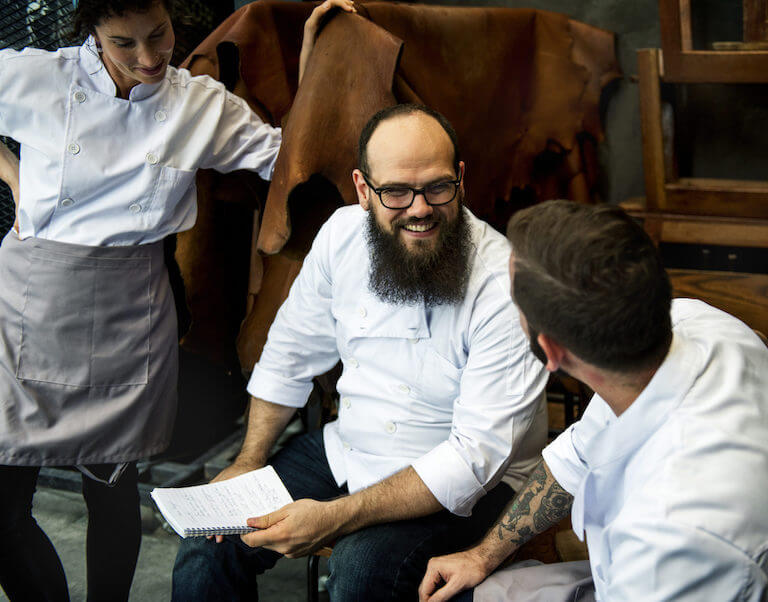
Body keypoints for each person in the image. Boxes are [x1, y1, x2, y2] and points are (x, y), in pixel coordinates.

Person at [0, 0, 353, 599]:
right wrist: (14, 177)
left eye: (158, 36)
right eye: (123, 44)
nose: (147, 58)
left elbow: (289, 159)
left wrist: (317, 53)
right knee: (4, 506)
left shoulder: (197, 104)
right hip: (34, 301)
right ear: (92, 32)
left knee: (113, 487)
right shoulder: (37, 76)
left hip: (129, 307)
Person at [171, 104, 550, 601]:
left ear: (461, 179)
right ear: (362, 189)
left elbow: (473, 458)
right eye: (395, 192)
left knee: (359, 571)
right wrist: (249, 460)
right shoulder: (341, 237)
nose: (419, 208)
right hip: (348, 449)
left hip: (467, 483)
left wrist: (334, 517)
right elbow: (288, 355)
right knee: (211, 542)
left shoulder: (504, 283)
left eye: (437, 187)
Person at [419, 200, 768, 602]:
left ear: (551, 351)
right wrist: (481, 556)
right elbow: (576, 456)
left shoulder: (673, 531)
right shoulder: (692, 323)